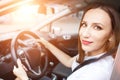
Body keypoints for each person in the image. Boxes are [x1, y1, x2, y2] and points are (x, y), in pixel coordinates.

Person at [13, 2, 120, 80]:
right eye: (84, 24)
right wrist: (46, 44)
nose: (84, 34)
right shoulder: (96, 55)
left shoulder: (95, 74)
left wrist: (23, 77)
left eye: (97, 27)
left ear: (111, 35)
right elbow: (69, 62)